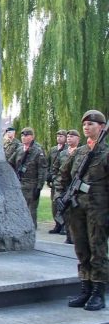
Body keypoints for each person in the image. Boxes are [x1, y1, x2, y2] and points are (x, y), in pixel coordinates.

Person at [57, 110, 108, 311]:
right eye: (85, 124)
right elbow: (63, 176)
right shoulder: (78, 152)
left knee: (98, 249)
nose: (87, 127)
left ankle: (98, 292)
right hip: (77, 208)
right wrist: (60, 196)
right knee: (81, 248)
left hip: (98, 209)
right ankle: (85, 288)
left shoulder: (106, 153)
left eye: (92, 124)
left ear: (101, 127)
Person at [12, 127, 47, 229]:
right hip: (19, 183)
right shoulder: (19, 149)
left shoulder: (38, 151)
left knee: (31, 210)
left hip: (32, 184)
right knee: (19, 208)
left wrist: (39, 187)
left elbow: (42, 170)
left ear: (32, 137)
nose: (23, 137)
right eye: (22, 135)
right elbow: (11, 163)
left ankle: (31, 229)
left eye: (26, 135)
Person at [52, 129, 81, 242]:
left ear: (78, 139)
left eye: (72, 137)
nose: (69, 138)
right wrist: (56, 181)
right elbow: (55, 169)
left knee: (76, 214)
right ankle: (69, 237)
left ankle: (75, 238)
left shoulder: (81, 152)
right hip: (64, 187)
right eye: (68, 137)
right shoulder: (63, 153)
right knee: (65, 212)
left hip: (77, 188)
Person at [46, 130, 67, 234]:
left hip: (63, 182)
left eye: (61, 136)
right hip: (54, 181)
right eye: (58, 136)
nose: (59, 138)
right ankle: (57, 225)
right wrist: (48, 177)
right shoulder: (53, 150)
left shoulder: (68, 150)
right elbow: (48, 164)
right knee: (54, 204)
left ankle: (64, 225)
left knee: (62, 204)